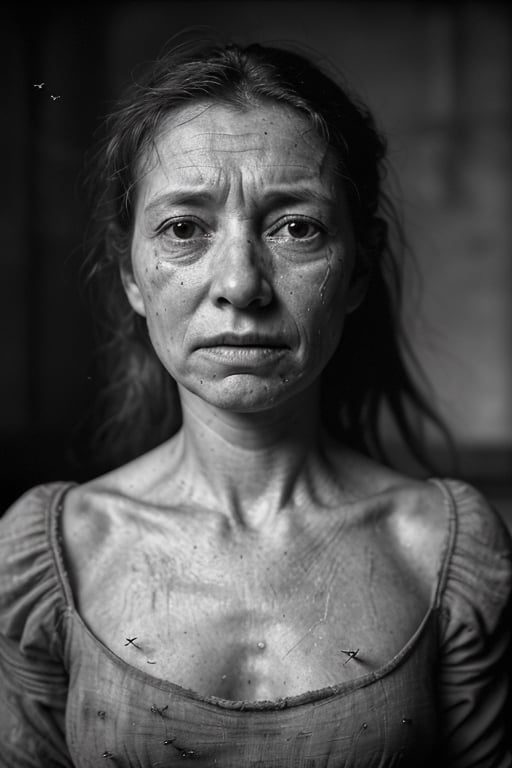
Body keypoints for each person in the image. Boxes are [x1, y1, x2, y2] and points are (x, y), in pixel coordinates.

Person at [0, 39, 511, 768]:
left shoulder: (443, 551)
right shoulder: (59, 552)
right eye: (185, 229)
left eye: (296, 227)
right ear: (132, 277)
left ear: (359, 270)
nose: (241, 284)